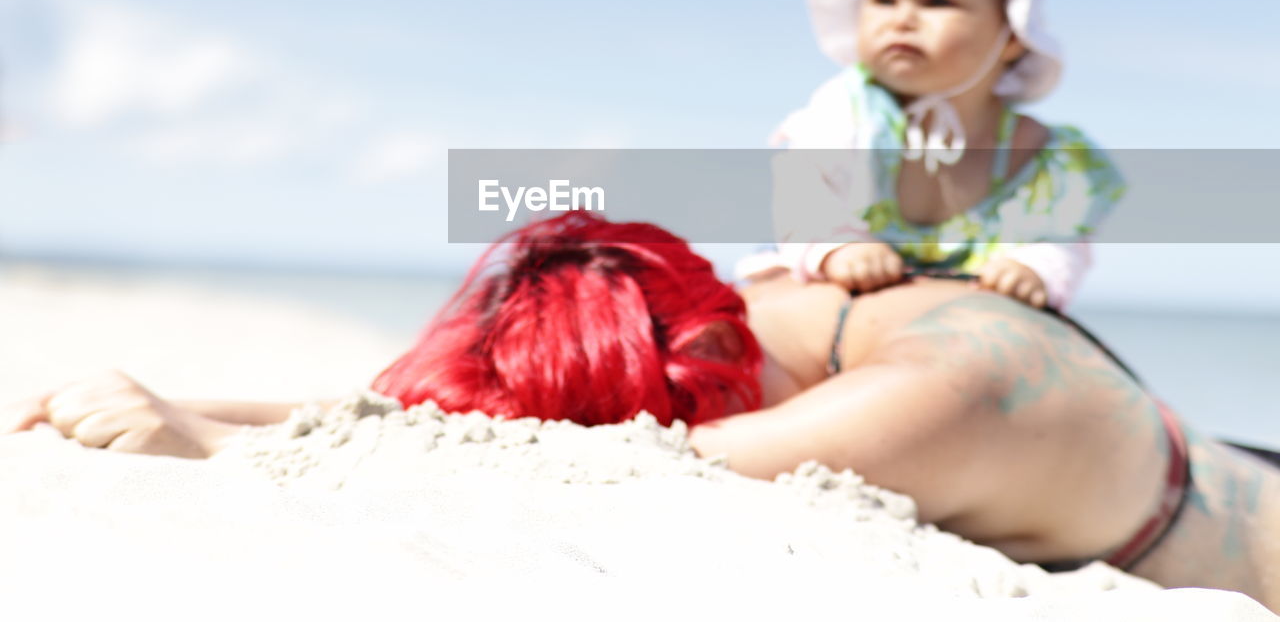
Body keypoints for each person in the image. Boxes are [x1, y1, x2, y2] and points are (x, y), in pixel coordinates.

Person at [2, 211, 1277, 610]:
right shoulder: (768, 300)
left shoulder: (936, 394)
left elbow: (609, 470)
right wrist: (191, 399)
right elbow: (490, 394)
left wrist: (228, 436)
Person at [759, 0, 1125, 310]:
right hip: (826, 311)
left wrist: (1034, 268)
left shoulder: (1039, 156)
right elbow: (802, 199)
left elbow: (1064, 238)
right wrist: (837, 248)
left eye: (935, 1)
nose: (902, 19)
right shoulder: (844, 116)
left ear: (1012, 34)